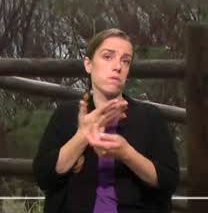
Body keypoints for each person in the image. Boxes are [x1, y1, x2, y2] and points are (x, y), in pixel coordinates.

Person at [32, 28, 179, 212]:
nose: (117, 66)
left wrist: (126, 153)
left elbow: (168, 181)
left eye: (125, 61)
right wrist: (82, 135)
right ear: (88, 64)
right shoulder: (66, 114)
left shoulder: (149, 117)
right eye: (108, 57)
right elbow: (44, 177)